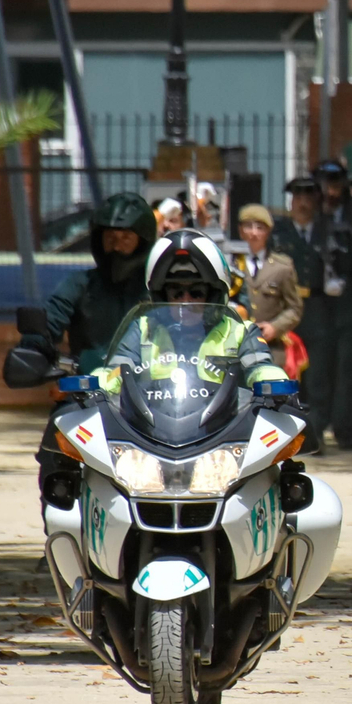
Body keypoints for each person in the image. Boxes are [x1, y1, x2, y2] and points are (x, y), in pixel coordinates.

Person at [20, 192, 157, 497]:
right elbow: (51, 316)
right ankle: (60, 522)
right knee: (58, 433)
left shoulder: (158, 289)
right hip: (87, 392)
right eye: (109, 236)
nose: (116, 245)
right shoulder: (80, 284)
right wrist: (34, 343)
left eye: (125, 237)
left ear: (144, 240)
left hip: (155, 394)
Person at [101, 228, 288, 392]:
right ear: (162, 296)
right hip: (150, 427)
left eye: (196, 293)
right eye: (176, 293)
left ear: (213, 295)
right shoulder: (143, 329)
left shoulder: (240, 332)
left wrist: (273, 381)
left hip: (226, 428)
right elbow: (116, 370)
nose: (186, 301)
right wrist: (98, 384)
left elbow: (260, 367)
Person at [289, 161, 352, 450]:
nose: (330, 191)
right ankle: (316, 425)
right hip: (318, 307)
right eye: (324, 184)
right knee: (318, 371)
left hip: (351, 305)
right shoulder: (314, 219)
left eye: (335, 184)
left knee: (349, 367)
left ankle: (345, 427)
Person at [231, 204, 303, 373]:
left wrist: (275, 327)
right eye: (248, 226)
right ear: (240, 231)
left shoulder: (282, 266)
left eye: (260, 228)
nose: (254, 233)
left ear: (268, 232)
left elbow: (294, 308)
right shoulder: (231, 263)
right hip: (235, 348)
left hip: (271, 349)